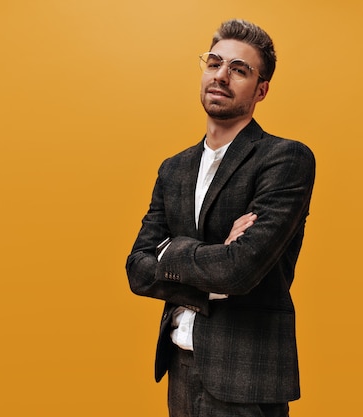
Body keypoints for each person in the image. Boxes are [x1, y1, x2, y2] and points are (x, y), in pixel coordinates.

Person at [126, 19, 315, 417]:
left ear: (261, 90)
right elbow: (137, 269)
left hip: (245, 376)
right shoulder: (173, 169)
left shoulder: (285, 159)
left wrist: (170, 254)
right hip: (180, 366)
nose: (221, 76)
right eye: (214, 63)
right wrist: (215, 254)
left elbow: (240, 270)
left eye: (239, 70)